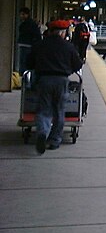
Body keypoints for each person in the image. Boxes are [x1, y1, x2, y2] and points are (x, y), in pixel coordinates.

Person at [28, 20, 82, 154]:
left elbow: (29, 63)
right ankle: (54, 140)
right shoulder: (68, 47)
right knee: (59, 111)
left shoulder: (39, 45)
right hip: (61, 80)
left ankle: (42, 133)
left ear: (50, 31)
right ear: (63, 33)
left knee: (44, 109)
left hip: (44, 80)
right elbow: (78, 64)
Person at [16, 7, 41, 74]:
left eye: (23, 14)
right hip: (28, 45)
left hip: (27, 45)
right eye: (21, 14)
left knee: (24, 63)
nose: (21, 16)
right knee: (26, 63)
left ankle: (23, 77)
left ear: (27, 15)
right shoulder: (31, 23)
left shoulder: (27, 24)